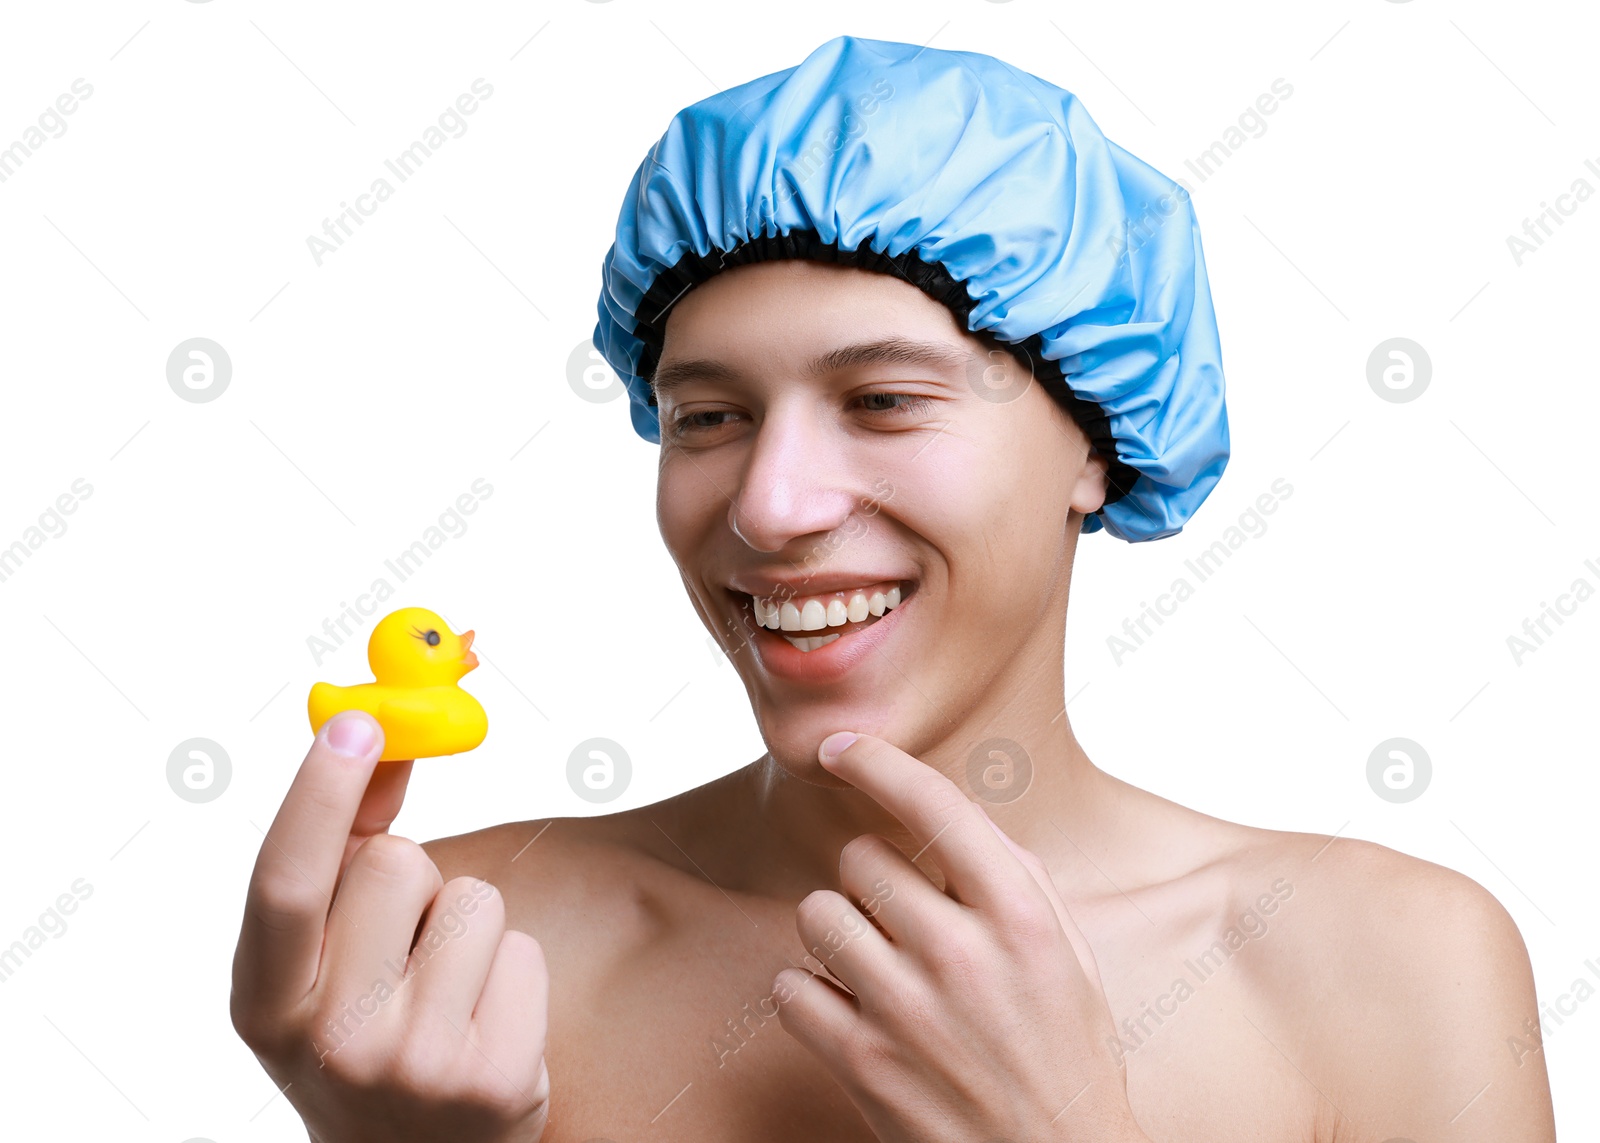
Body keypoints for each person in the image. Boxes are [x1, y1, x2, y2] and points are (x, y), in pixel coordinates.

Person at [229, 35, 1558, 1142]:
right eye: (706, 417)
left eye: (881, 400)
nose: (767, 503)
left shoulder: (1391, 970)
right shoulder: (457, 949)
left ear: (1095, 447)